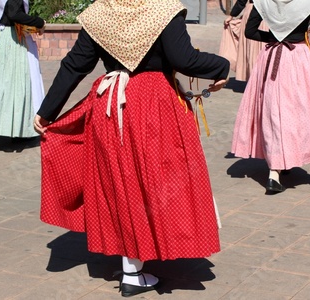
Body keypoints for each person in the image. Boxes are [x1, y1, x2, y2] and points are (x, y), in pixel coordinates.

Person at [33, 0, 229, 297]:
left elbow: (75, 64)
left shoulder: (100, 12)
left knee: (120, 185)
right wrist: (221, 66)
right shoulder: (163, 9)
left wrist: (47, 111)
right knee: (157, 183)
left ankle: (131, 263)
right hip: (153, 104)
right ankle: (134, 268)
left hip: (110, 104)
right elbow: (184, 59)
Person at [231, 0, 310, 194]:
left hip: (272, 54)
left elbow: (250, 31)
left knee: (273, 110)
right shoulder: (309, 3)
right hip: (299, 57)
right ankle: (276, 170)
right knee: (297, 110)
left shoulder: (264, 2)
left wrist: (275, 38)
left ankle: (281, 163)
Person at [0, 0, 45, 150]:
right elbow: (14, 13)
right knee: (18, 84)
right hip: (13, 39)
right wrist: (39, 22)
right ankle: (14, 130)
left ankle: (0, 126)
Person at [219, 0, 267, 81]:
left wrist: (232, 15)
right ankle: (264, 78)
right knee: (265, 47)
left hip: (253, 11)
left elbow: (242, 1)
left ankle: (254, 79)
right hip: (270, 12)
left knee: (251, 49)